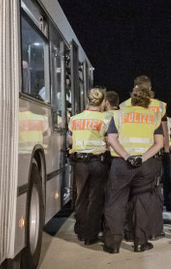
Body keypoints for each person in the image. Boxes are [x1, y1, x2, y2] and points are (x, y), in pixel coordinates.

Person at [103, 86, 164, 253]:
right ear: (147, 100)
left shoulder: (119, 115)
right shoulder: (154, 117)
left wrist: (126, 156)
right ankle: (140, 242)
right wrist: (142, 158)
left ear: (132, 99)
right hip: (145, 165)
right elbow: (158, 143)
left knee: (115, 202)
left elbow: (112, 139)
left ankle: (113, 244)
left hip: (122, 164)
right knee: (142, 202)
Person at [121, 76, 171, 213]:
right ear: (150, 88)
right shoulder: (159, 106)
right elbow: (164, 129)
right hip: (155, 149)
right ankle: (168, 205)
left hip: (131, 149)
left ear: (135, 87)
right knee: (161, 181)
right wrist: (166, 148)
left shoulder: (124, 105)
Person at [68, 88, 111, 245]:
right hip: (98, 162)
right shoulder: (106, 119)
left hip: (80, 163)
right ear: (102, 102)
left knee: (81, 197)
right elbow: (109, 141)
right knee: (96, 198)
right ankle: (90, 235)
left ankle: (80, 230)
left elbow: (71, 141)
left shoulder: (74, 119)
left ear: (87, 100)